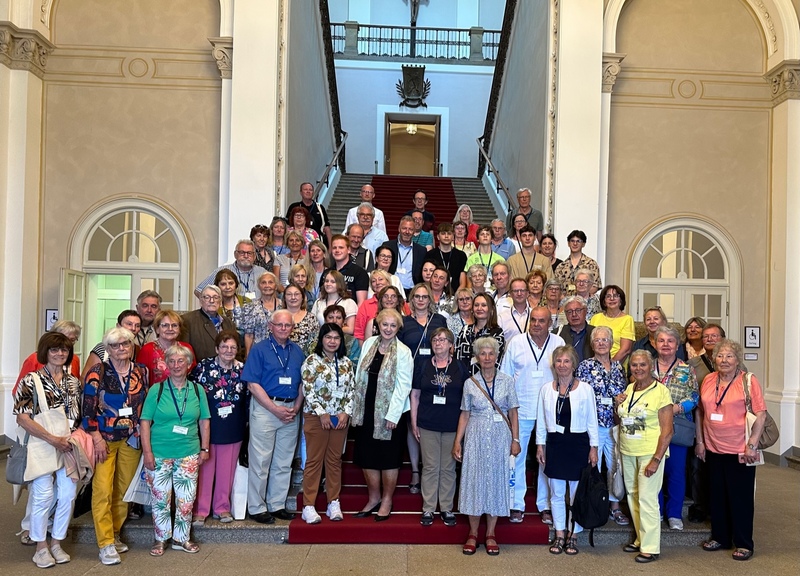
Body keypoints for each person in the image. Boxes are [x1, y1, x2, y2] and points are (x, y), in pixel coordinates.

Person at [14, 332, 82, 568]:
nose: (60, 354)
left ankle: (56, 542)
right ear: (45, 352)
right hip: (42, 442)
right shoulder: (31, 380)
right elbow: (22, 418)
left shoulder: (74, 382)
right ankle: (40, 547)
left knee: (67, 495)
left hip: (69, 444)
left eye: (64, 350)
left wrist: (71, 439)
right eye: (54, 350)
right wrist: (52, 439)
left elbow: (78, 415)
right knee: (43, 495)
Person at [695, 339, 766, 562]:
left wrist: (752, 444)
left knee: (741, 498)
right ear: (714, 359)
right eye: (720, 356)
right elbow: (700, 412)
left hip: (740, 450)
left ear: (737, 360)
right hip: (713, 447)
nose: (724, 360)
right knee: (717, 496)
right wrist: (700, 441)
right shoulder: (708, 379)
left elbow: (761, 413)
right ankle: (721, 537)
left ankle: (744, 543)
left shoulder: (748, 380)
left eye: (729, 356)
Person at [83, 327, 148, 565]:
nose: (121, 349)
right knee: (102, 490)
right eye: (115, 345)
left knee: (123, 490)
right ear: (107, 349)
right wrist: (96, 438)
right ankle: (105, 543)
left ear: (132, 346)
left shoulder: (141, 371)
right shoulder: (97, 371)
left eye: (125, 344)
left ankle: (116, 532)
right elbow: (87, 409)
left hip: (131, 438)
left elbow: (144, 403)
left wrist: (142, 427)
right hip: (104, 440)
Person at [140, 345, 210, 556]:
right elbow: (144, 422)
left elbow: (204, 421)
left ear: (189, 365)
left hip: (188, 452)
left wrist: (205, 448)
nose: (176, 365)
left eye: (181, 361)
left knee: (186, 500)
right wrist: (147, 453)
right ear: (166, 365)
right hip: (159, 452)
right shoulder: (156, 390)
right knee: (160, 499)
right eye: (172, 361)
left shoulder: (198, 390)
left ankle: (182, 538)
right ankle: (161, 539)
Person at [453, 336, 520, 556]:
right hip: (475, 436)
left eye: (491, 353)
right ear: (477, 357)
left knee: (495, 481)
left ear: (497, 356)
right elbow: (465, 413)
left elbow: (513, 412)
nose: (488, 357)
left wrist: (515, 440)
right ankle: (473, 533)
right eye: (483, 353)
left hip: (501, 436)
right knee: (474, 481)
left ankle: (490, 533)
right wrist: (457, 441)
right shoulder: (470, 383)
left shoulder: (507, 381)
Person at [500, 306, 565, 524]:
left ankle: (545, 504)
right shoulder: (516, 343)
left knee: (546, 458)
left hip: (549, 410)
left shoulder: (558, 343)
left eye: (541, 321)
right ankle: (515, 504)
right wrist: (507, 410)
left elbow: (565, 375)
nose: (536, 324)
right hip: (521, 408)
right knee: (516, 457)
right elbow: (506, 377)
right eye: (533, 320)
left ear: (550, 323)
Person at [536, 346, 600, 556]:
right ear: (554, 364)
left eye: (566, 361)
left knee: (576, 494)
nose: (562, 365)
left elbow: (593, 420)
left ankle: (574, 533)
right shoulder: (547, 388)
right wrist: (540, 445)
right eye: (558, 361)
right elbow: (541, 421)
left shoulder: (585, 389)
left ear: (573, 364)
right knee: (556, 493)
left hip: (578, 444)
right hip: (555, 444)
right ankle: (560, 533)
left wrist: (594, 447)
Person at [242, 310, 304, 524]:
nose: (284, 329)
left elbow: (303, 383)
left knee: (284, 461)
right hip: (266, 408)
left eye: (288, 325)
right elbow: (252, 383)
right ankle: (257, 507)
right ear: (270, 326)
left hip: (290, 410)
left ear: (293, 328)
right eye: (279, 325)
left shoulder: (298, 352)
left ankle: (276, 504)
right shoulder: (259, 349)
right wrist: (274, 408)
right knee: (260, 461)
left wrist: (296, 407)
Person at [352, 309, 413, 521]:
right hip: (366, 409)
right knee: (367, 455)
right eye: (384, 324)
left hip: (390, 414)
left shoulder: (404, 352)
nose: (388, 329)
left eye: (392, 325)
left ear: (398, 328)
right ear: (378, 325)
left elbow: (403, 386)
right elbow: (359, 375)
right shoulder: (369, 344)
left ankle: (387, 499)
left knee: (388, 458)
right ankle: (373, 497)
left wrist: (392, 415)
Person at [615, 350, 673, 563]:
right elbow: (622, 417)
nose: (638, 369)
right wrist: (616, 403)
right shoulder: (630, 388)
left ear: (651, 366)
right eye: (634, 365)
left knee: (648, 498)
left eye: (642, 365)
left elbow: (668, 430)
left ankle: (651, 547)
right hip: (628, 450)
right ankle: (640, 539)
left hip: (650, 452)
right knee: (633, 496)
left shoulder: (661, 391)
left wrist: (657, 458)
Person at [411, 327, 469, 527]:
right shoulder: (423, 365)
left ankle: (445, 508)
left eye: (443, 340)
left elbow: (466, 400)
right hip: (428, 423)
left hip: (452, 424)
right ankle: (428, 508)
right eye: (435, 339)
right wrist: (414, 421)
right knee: (429, 467)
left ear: (451, 345)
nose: (438, 343)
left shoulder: (461, 367)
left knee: (448, 467)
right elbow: (415, 395)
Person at [299, 323, 356, 524]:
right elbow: (308, 389)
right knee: (314, 461)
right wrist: (322, 413)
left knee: (334, 461)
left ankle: (333, 502)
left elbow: (352, 390)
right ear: (321, 339)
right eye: (328, 337)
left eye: (336, 338)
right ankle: (309, 505)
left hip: (339, 419)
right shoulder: (311, 362)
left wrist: (346, 413)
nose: (332, 341)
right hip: (317, 418)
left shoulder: (347, 363)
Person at [190, 331, 247, 526]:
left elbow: (248, 398)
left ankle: (222, 507)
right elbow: (192, 395)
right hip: (207, 427)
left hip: (233, 427)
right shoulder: (203, 368)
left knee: (227, 471)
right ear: (217, 349)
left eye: (233, 347)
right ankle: (200, 510)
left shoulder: (242, 370)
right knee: (205, 471)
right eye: (224, 347)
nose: (229, 351)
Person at [576, 326, 630, 525]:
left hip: (615, 425)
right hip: (594, 425)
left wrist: (621, 398)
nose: (601, 343)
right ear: (592, 344)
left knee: (615, 467)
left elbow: (625, 393)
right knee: (594, 467)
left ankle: (614, 507)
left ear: (610, 343)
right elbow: (580, 396)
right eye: (597, 340)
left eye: (604, 340)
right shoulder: (584, 366)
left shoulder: (618, 367)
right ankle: (594, 505)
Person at [399, 283, 448, 495]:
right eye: (416, 297)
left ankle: (431, 470)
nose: (420, 300)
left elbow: (447, 346)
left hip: (436, 378)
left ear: (430, 299)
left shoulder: (440, 321)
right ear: (411, 300)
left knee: (431, 425)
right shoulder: (404, 323)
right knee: (413, 425)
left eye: (424, 296)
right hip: (411, 378)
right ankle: (415, 471)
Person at [653, 325, 698, 531]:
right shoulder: (646, 365)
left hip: (677, 425)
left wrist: (677, 408)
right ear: (654, 343)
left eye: (670, 341)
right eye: (661, 341)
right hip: (651, 427)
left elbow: (695, 397)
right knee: (653, 472)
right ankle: (657, 511)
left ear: (677, 345)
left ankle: (674, 514)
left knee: (676, 472)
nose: (665, 345)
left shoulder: (686, 369)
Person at [686, 323, 725, 523]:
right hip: (699, 420)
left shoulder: (733, 364)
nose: (709, 339)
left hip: (725, 426)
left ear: (722, 339)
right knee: (697, 465)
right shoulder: (693, 364)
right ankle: (699, 506)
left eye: (714, 336)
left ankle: (717, 506)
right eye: (706, 336)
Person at [15, 320, 82, 395]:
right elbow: (18, 392)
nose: (67, 343)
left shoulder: (75, 359)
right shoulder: (33, 359)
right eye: (63, 338)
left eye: (72, 340)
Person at [137, 310, 196, 385]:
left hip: (182, 394)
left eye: (174, 325)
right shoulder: (147, 349)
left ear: (179, 329)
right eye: (165, 325)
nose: (170, 329)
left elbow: (193, 375)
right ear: (157, 329)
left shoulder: (187, 348)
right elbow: (141, 378)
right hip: (156, 394)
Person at [195, 239, 266, 300]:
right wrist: (215, 305)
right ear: (235, 254)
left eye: (249, 253)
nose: (246, 256)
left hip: (256, 314)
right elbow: (199, 290)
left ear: (254, 256)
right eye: (242, 252)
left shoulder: (262, 273)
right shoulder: (221, 271)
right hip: (229, 314)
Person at [182, 285, 238, 362]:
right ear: (201, 301)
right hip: (199, 370)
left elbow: (235, 348)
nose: (212, 301)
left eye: (216, 297)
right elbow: (183, 352)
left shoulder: (228, 322)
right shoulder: (187, 320)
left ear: (220, 302)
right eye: (207, 297)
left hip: (226, 369)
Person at [81, 311, 142, 380]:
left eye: (137, 325)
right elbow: (85, 378)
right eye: (129, 324)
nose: (133, 328)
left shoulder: (137, 349)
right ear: (118, 326)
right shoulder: (103, 347)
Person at [455, 293, 505, 375]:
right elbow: (456, 357)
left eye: (484, 305)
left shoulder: (497, 333)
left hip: (485, 382)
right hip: (462, 381)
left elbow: (495, 362)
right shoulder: (465, 330)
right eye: (476, 305)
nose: (479, 308)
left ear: (491, 309)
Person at [380, 216, 428, 295]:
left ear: (414, 231)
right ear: (399, 229)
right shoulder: (388, 246)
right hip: (390, 290)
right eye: (404, 228)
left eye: (410, 229)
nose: (407, 232)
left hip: (412, 292)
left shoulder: (421, 251)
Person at [589, 285, 635, 365]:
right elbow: (591, 344)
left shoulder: (627, 319)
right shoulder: (595, 318)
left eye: (616, 296)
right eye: (608, 296)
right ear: (604, 301)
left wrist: (610, 366)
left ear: (621, 300)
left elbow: (626, 349)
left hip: (617, 364)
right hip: (595, 364)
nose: (612, 299)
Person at [240, 271, 282, 354]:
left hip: (280, 350)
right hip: (258, 352)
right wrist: (248, 356)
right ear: (259, 286)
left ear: (276, 286)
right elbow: (249, 335)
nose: (267, 285)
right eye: (263, 282)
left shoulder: (284, 306)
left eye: (270, 282)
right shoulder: (250, 307)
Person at [553, 230, 602, 295]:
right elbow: (556, 287)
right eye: (572, 241)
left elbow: (595, 286)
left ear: (583, 244)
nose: (575, 244)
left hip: (585, 302)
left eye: (578, 241)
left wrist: (579, 298)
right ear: (568, 243)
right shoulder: (561, 266)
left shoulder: (591, 264)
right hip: (565, 302)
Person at [311, 269, 358, 335]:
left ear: (340, 284)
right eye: (326, 281)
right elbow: (313, 325)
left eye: (332, 282)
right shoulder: (318, 302)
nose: (328, 284)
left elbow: (350, 329)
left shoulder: (349, 303)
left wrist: (328, 329)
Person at [424, 222, 468, 291]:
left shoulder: (461, 255)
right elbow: (427, 278)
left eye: (449, 234)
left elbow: (463, 282)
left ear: (453, 237)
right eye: (443, 233)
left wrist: (456, 297)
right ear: (438, 237)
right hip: (434, 292)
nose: (446, 236)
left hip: (455, 293)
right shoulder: (430, 255)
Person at [286, 181, 331, 246]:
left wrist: (331, 247)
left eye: (310, 190)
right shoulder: (294, 207)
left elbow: (327, 228)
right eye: (305, 189)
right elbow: (287, 225)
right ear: (301, 192)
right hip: (295, 244)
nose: (308, 191)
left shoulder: (320, 208)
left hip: (317, 244)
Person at [330, 234, 369, 305]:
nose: (337, 250)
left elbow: (361, 302)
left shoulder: (360, 273)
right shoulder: (327, 272)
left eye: (341, 247)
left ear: (348, 250)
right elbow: (322, 299)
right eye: (334, 248)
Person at [283, 283, 319, 355]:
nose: (293, 297)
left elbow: (315, 343)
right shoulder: (277, 317)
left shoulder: (311, 318)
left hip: (305, 360)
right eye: (289, 294)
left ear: (302, 297)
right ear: (284, 297)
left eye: (296, 294)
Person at [465, 226, 505, 290]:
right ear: (478, 239)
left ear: (492, 239)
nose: (485, 236)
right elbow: (469, 283)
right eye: (482, 234)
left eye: (488, 234)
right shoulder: (471, 259)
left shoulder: (500, 259)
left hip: (495, 292)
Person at [557, 296, 594, 364]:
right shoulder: (558, 333)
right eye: (570, 312)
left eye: (578, 310)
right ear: (565, 314)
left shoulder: (595, 333)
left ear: (585, 311)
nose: (574, 314)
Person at [214, 269, 251, 335]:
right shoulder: (213, 305)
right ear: (217, 286)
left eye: (231, 283)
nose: (228, 287)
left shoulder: (248, 302)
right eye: (223, 284)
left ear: (236, 285)